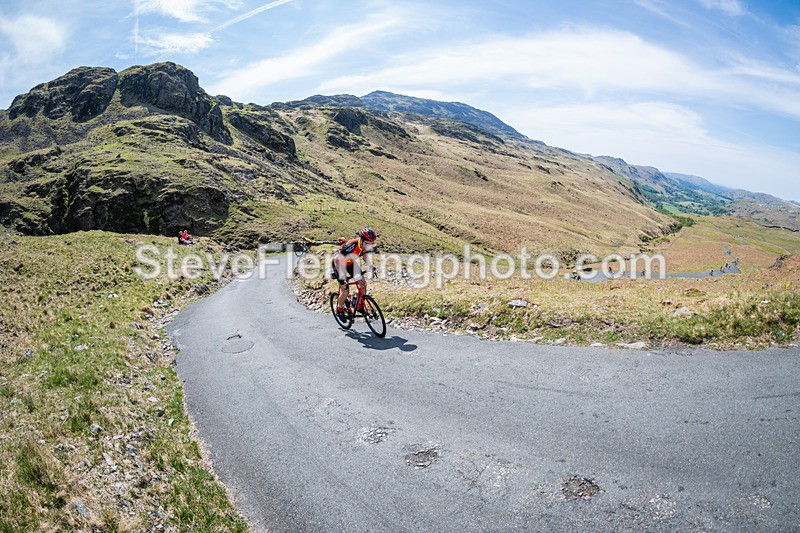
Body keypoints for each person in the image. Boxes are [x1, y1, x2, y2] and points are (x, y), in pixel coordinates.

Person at [331, 228, 378, 320]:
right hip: (339, 263)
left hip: (350, 263)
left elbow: (364, 255)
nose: (369, 245)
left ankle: (359, 305)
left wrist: (371, 266)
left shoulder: (364, 245)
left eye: (371, 243)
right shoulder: (351, 245)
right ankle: (339, 309)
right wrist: (341, 278)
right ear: (362, 240)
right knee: (345, 290)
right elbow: (337, 260)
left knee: (363, 284)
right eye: (368, 243)